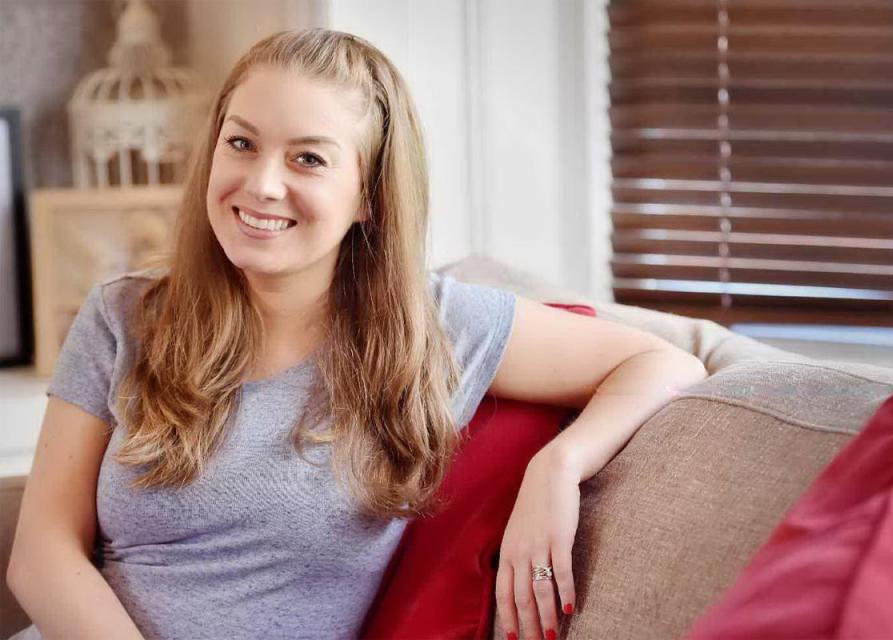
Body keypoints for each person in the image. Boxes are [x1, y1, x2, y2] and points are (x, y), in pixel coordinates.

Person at [6, 29, 707, 640]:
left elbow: (665, 363)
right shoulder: (124, 316)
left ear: (369, 194)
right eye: (241, 143)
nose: (262, 184)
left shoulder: (435, 330)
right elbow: (41, 555)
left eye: (308, 159)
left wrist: (557, 468)